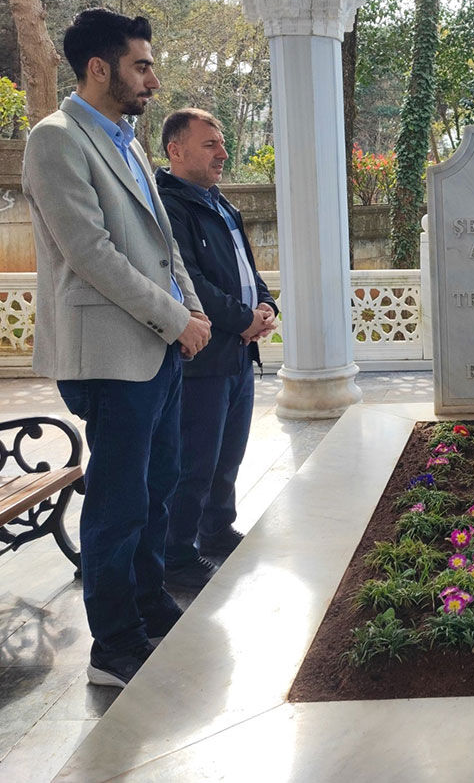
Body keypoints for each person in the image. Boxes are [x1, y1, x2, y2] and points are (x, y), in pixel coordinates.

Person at [22, 8, 212, 688]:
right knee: (118, 503)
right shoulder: (56, 140)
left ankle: (149, 600)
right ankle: (114, 644)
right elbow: (92, 254)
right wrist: (174, 318)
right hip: (108, 355)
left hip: (159, 347)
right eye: (141, 65)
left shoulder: (128, 140)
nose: (153, 79)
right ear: (98, 68)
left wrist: (190, 307)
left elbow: (162, 243)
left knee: (159, 488)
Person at [156, 109, 278, 587]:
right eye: (210, 145)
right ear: (176, 150)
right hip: (202, 357)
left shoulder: (220, 203)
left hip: (238, 356)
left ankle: (216, 529)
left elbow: (247, 268)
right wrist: (243, 318)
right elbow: (191, 283)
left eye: (221, 143)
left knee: (229, 453)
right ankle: (176, 554)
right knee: (195, 462)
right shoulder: (170, 207)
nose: (222, 153)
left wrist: (265, 304)